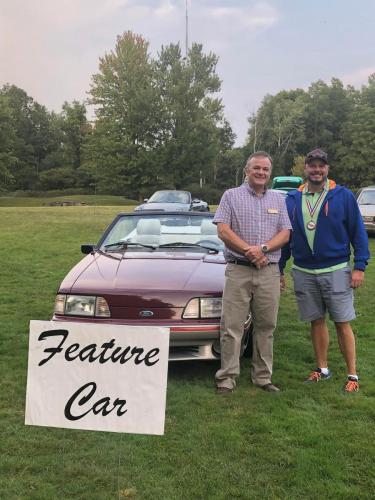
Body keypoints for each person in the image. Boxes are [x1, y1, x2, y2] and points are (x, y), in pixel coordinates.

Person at [279, 148, 370, 392]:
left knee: (342, 321)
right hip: (303, 271)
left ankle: (353, 375)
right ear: (305, 169)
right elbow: (286, 237)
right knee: (316, 321)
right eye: (312, 166)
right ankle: (323, 369)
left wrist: (359, 266)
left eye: (321, 166)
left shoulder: (343, 196)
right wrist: (279, 269)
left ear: (327, 169)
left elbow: (358, 233)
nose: (316, 170)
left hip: (337, 269)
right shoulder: (292, 199)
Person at [214, 151, 291, 394]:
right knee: (232, 326)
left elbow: (285, 233)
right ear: (247, 170)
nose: (261, 173)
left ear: (270, 173)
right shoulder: (231, 196)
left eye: (265, 169)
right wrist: (249, 250)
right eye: (256, 168)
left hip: (268, 271)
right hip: (238, 270)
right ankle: (227, 377)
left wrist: (264, 249)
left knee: (266, 326)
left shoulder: (278, 199)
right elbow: (223, 231)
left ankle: (262, 377)